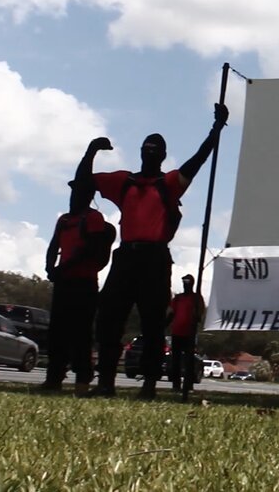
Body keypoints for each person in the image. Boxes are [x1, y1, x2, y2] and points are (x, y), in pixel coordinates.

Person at [76, 102, 227, 400]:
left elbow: (197, 162)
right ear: (141, 151)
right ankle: (106, 382)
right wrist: (91, 151)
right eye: (147, 147)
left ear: (162, 154)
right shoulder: (124, 181)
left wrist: (217, 129)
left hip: (155, 258)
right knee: (108, 319)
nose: (150, 151)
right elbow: (83, 181)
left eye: (155, 148)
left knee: (153, 324)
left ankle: (148, 386)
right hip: (126, 256)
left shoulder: (168, 183)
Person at [38, 179, 114, 396]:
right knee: (57, 332)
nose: (74, 196)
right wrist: (50, 266)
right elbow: (54, 244)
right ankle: (54, 377)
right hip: (64, 281)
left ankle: (82, 379)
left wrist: (62, 268)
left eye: (79, 192)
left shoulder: (93, 218)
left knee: (81, 333)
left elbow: (89, 249)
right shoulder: (64, 219)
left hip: (84, 282)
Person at [166, 274, 203, 394]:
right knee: (175, 360)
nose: (185, 284)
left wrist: (196, 316)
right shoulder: (177, 298)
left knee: (189, 361)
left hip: (190, 334)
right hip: (176, 333)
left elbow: (199, 315)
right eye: (184, 282)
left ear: (192, 283)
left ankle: (188, 384)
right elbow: (171, 313)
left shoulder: (197, 298)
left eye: (187, 282)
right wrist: (164, 324)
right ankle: (175, 385)